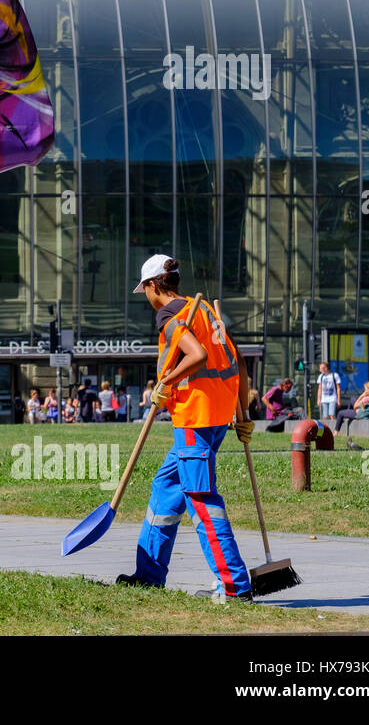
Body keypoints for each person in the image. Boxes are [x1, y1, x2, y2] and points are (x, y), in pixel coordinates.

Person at [117, 254, 254, 601]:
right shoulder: (204, 310)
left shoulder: (170, 315)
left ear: (152, 286)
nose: (146, 298)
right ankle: (148, 576)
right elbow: (236, 360)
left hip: (196, 417)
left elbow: (197, 356)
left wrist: (165, 382)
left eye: (144, 290)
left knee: (200, 498)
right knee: (166, 487)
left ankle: (235, 586)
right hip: (218, 415)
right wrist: (243, 413)